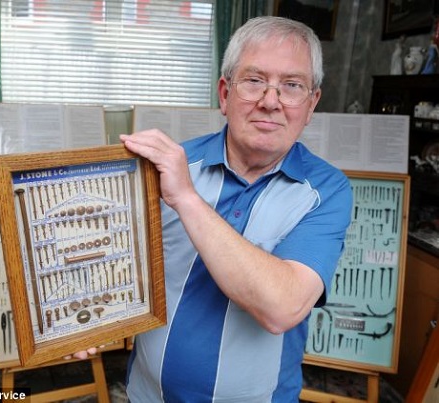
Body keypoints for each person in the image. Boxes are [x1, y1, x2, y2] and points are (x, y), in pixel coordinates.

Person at [73, 15, 352, 402]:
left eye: (292, 86)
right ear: (224, 94)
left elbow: (282, 308)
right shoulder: (167, 165)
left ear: (310, 105)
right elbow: (116, 264)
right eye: (254, 81)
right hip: (146, 395)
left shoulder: (327, 190)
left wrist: (187, 199)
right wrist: (80, 319)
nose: (270, 102)